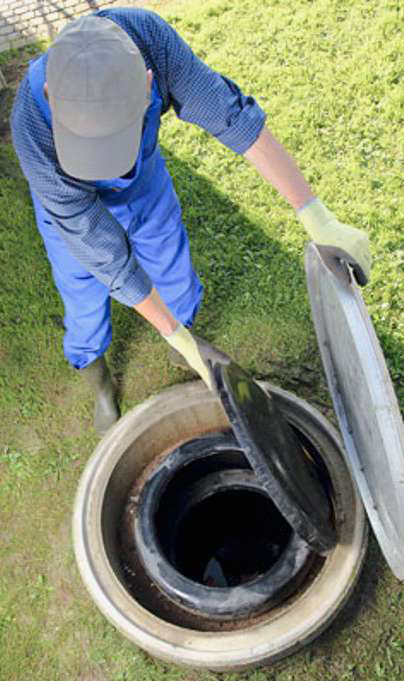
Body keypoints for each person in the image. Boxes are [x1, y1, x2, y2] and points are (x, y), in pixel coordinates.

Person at [11, 8, 371, 435]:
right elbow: (102, 250)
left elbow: (232, 118)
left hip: (143, 184)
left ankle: (187, 346)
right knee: (83, 291)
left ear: (148, 84)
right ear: (51, 94)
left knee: (171, 264)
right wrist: (169, 331)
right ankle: (99, 378)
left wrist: (316, 215)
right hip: (70, 212)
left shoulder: (154, 46)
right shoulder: (32, 128)